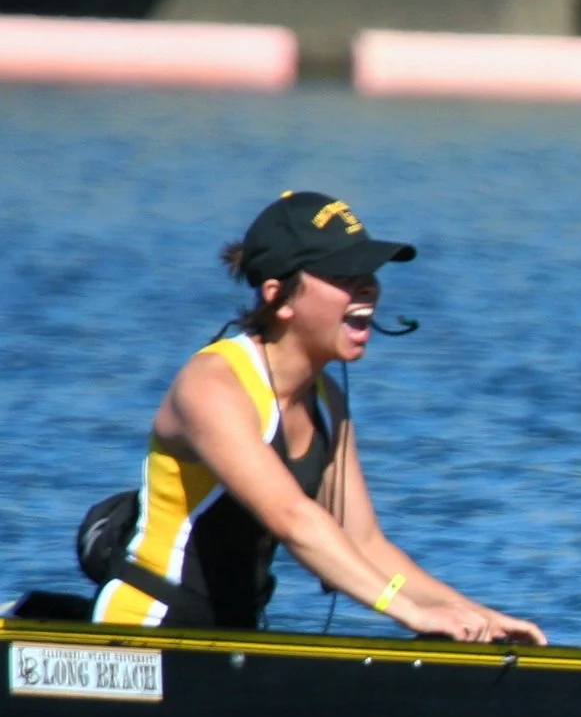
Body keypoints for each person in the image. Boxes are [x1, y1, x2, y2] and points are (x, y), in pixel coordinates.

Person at [90, 191, 544, 644]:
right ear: (279, 298)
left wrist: (473, 615)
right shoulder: (213, 385)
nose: (367, 286)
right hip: (142, 631)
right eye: (344, 274)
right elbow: (292, 518)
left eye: (368, 273)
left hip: (235, 639)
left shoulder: (328, 402)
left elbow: (364, 543)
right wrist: (410, 615)